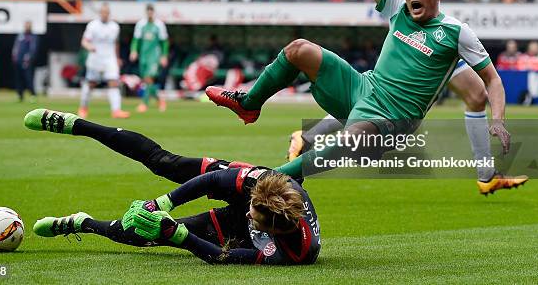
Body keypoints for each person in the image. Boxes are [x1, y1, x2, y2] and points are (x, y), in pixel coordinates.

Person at [206, 0, 527, 195]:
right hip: (363, 87)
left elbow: (492, 80)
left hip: (394, 117)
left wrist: (498, 119)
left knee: (345, 142)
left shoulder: (456, 31)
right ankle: (249, 104)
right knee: (299, 49)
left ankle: (266, 181)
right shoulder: (398, 9)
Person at [23, 108, 320, 265]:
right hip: (260, 183)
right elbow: (213, 180)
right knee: (165, 163)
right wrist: (161, 203)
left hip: (253, 224)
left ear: (273, 230)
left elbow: (223, 257)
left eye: (254, 216)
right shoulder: (259, 183)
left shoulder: (288, 255)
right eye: (252, 209)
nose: (248, 213)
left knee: (143, 234)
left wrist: (175, 234)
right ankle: (76, 124)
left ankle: (80, 222)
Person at [78, 3, 130, 119]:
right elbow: (84, 41)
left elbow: (115, 43)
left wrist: (117, 58)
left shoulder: (115, 26)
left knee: (114, 83)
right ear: (100, 13)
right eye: (103, 12)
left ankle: (116, 110)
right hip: (95, 58)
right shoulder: (93, 25)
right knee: (91, 83)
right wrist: (89, 47)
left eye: (107, 12)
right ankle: (83, 107)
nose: (105, 14)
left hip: (109, 59)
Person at [129, 3, 169, 112]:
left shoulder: (159, 25)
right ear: (146, 12)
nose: (150, 13)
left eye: (152, 10)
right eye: (148, 10)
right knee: (146, 80)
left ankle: (144, 103)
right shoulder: (141, 24)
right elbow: (136, 40)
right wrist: (133, 51)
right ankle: (160, 100)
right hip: (144, 56)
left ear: (154, 12)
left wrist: (164, 56)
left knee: (149, 78)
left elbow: (164, 42)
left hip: (154, 56)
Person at [12, 20, 38, 101]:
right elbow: (16, 47)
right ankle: (20, 95)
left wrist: (28, 58)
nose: (27, 27)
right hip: (18, 61)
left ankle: (32, 94)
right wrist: (14, 56)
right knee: (18, 79)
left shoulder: (33, 36)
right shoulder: (21, 35)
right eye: (26, 25)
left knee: (28, 78)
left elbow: (33, 49)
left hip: (26, 62)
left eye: (28, 25)